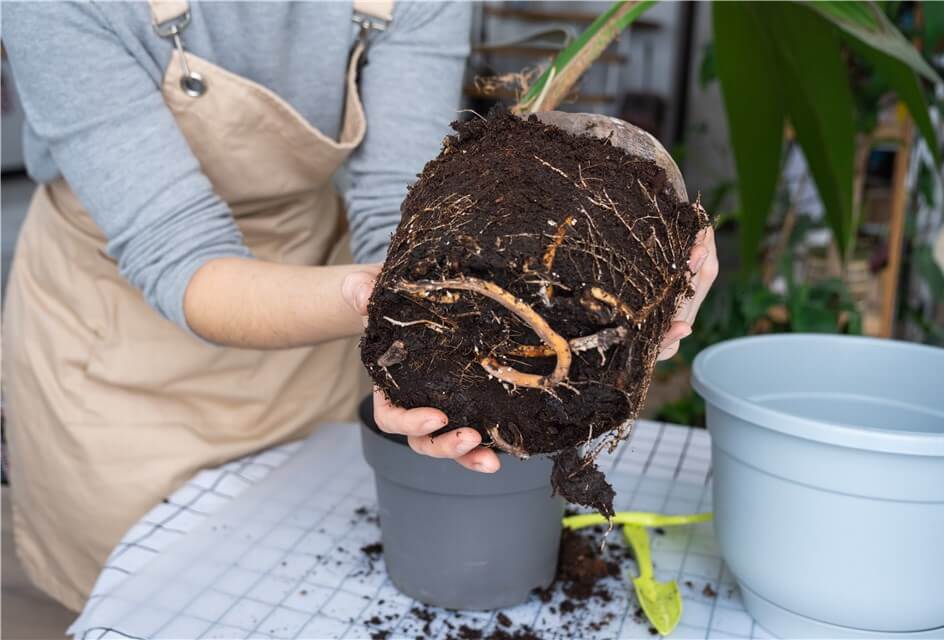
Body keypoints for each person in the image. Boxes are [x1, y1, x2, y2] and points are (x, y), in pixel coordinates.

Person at [1, 0, 718, 613]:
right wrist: (390, 296)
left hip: (315, 301)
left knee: (284, 581)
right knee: (157, 601)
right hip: (122, 346)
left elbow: (391, 206)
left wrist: (623, 237)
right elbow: (176, 250)